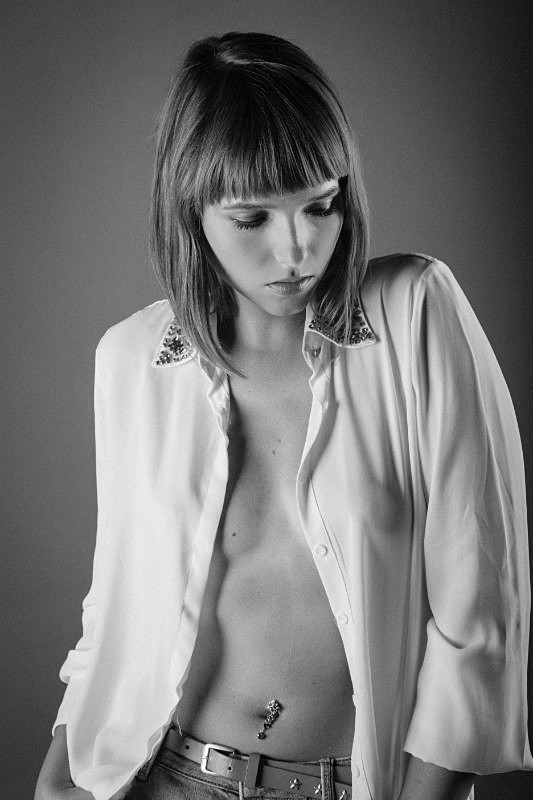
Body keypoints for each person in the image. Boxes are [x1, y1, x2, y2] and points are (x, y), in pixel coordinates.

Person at [34, 31, 532, 800]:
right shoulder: (133, 359)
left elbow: (482, 609)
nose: (297, 250)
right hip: (166, 775)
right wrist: (59, 775)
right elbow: (117, 606)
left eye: (319, 206)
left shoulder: (413, 316)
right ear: (190, 210)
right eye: (252, 219)